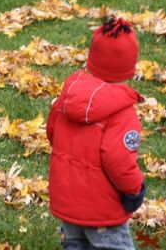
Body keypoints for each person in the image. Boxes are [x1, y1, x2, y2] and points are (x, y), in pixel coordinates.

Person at [46, 17, 146, 250]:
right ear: (129, 67)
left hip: (68, 200)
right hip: (102, 209)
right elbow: (118, 159)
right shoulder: (122, 113)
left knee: (75, 244)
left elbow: (52, 132)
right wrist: (134, 189)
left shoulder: (68, 96)